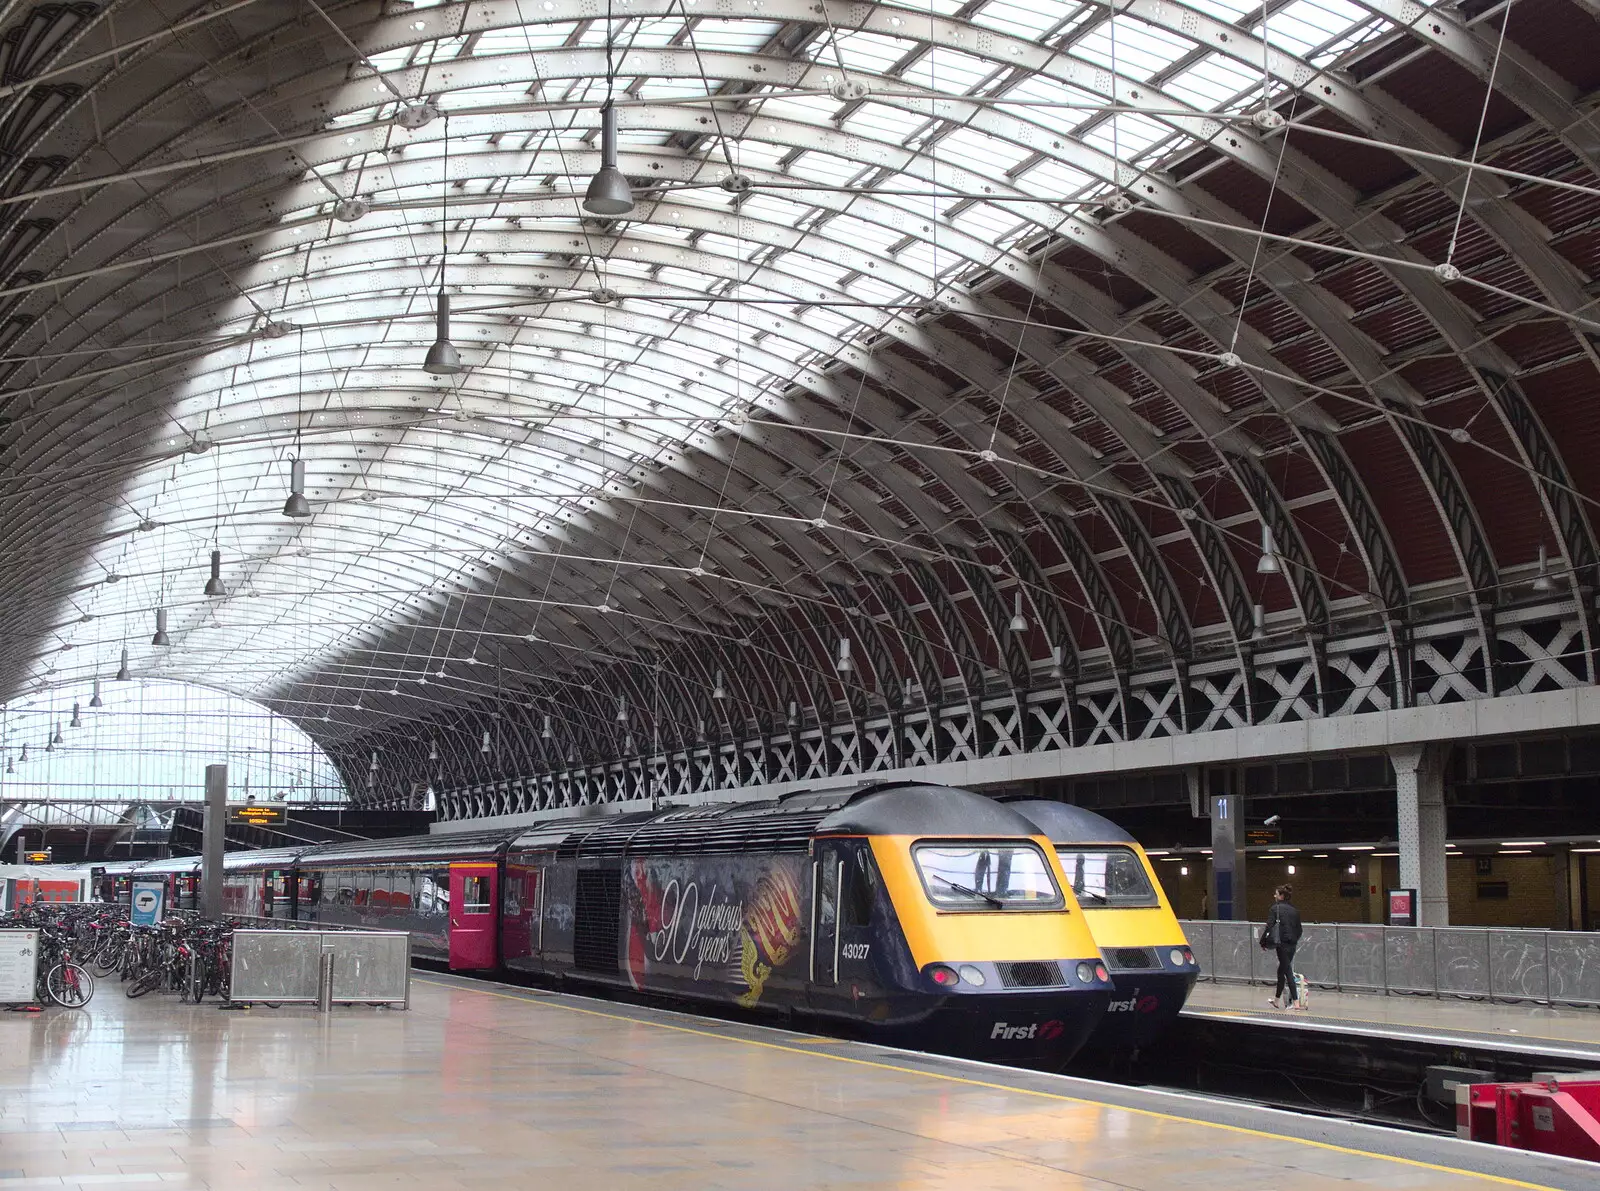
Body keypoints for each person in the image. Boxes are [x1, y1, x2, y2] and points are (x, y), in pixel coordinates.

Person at [1262, 884, 1304, 1010]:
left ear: (1281, 896)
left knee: (1287, 971)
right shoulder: (1295, 910)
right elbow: (1299, 929)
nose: (1274, 896)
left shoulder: (1275, 909)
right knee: (1282, 970)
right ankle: (1276, 1000)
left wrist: (1263, 941)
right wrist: (1294, 940)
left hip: (1281, 944)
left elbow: (1269, 926)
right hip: (1292, 945)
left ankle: (1296, 1002)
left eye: (1276, 894)